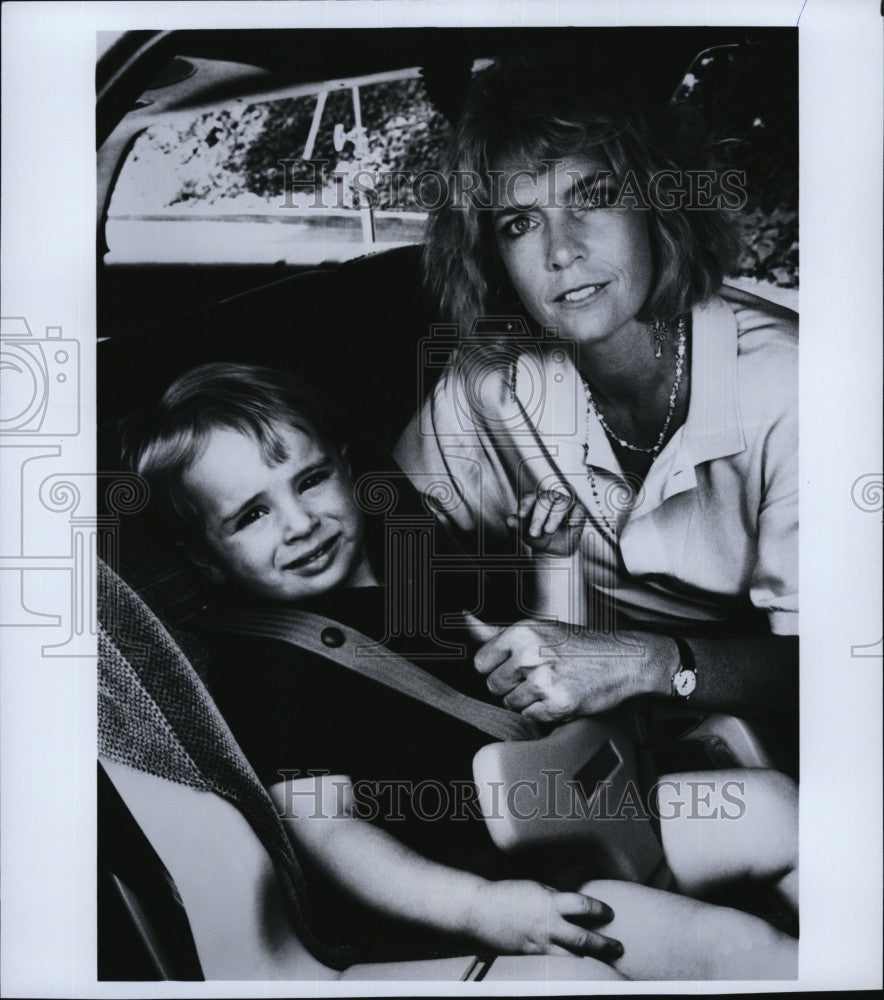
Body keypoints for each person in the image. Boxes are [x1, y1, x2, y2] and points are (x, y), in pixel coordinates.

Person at [126, 361, 797, 979]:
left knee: (777, 808)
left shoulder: (414, 575)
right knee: (735, 947)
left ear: (345, 466)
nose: (300, 523)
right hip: (498, 888)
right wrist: (480, 908)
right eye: (252, 515)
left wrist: (557, 560)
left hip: (580, 815)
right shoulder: (269, 670)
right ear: (205, 557)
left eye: (309, 480)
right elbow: (327, 830)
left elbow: (543, 678)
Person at [394, 55, 798, 760]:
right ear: (493, 256)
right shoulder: (487, 381)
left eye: (594, 195)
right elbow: (391, 537)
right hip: (585, 750)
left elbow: (843, 671)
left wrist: (639, 661)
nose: (562, 251)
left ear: (658, 202)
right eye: (520, 222)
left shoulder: (794, 384)